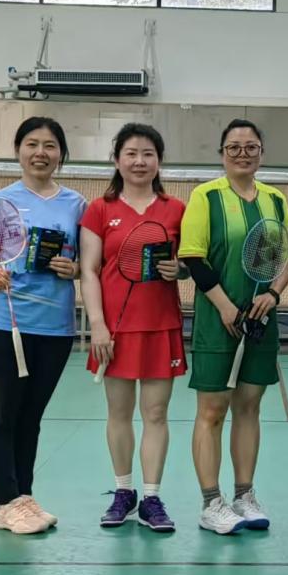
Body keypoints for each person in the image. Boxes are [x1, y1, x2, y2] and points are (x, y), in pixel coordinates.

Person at [180, 119, 288, 535]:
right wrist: (226, 306)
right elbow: (193, 257)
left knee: (249, 407)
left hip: (260, 321)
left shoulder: (276, 199)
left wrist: (274, 294)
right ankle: (211, 503)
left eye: (251, 147)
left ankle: (244, 495)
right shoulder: (205, 196)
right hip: (219, 321)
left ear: (261, 152)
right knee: (212, 411)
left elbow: (287, 259)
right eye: (234, 147)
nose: (242, 154)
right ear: (222, 153)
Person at [0, 118, 86, 535]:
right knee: (2, 415)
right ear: (18, 150)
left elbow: (86, 263)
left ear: (61, 154)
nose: (41, 153)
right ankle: (6, 501)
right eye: (32, 144)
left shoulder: (77, 205)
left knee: (31, 417)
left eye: (50, 145)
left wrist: (74, 269)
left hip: (55, 328)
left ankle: (23, 496)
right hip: (7, 325)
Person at [82, 123, 185, 533]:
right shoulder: (99, 209)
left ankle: (152, 498)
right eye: (131, 153)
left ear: (159, 161)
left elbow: (190, 262)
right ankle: (123, 492)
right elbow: (89, 271)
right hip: (114, 330)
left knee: (156, 413)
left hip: (161, 326)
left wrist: (180, 269)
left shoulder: (177, 209)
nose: (139, 161)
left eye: (148, 154)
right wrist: (97, 325)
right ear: (116, 159)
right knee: (119, 412)